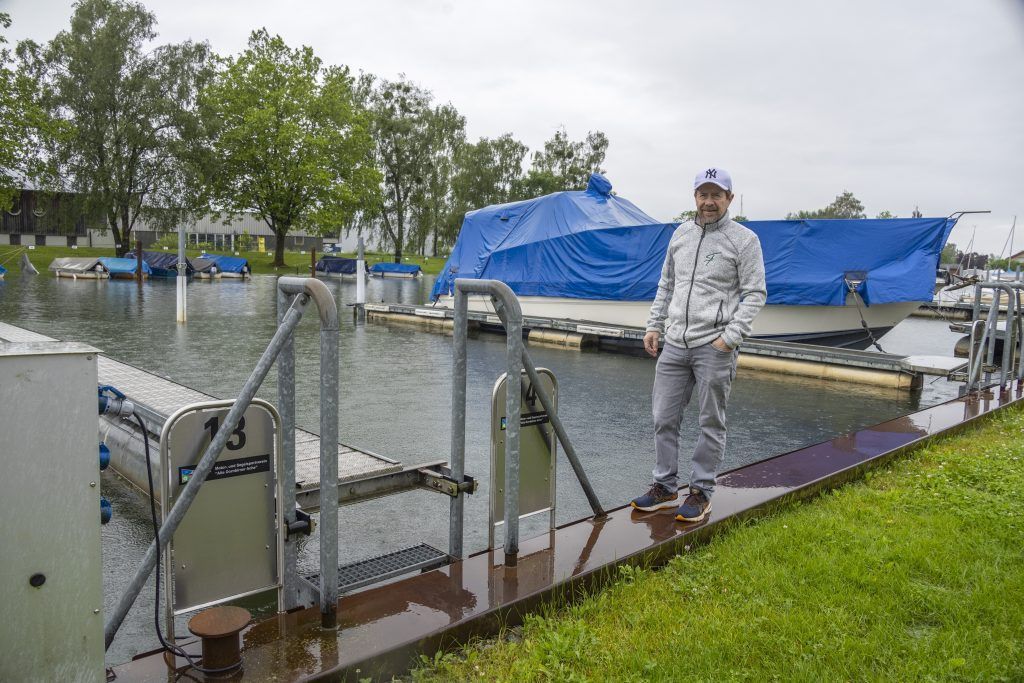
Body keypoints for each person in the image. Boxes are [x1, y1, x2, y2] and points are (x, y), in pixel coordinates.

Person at [630, 167, 766, 522]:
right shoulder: (680, 235)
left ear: (729, 199)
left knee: (710, 422)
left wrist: (729, 338)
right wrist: (654, 325)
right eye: (703, 195)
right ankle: (664, 486)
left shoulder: (745, 240)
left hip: (714, 345)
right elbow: (666, 285)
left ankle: (701, 491)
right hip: (675, 342)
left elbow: (754, 294)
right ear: (695, 197)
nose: (709, 202)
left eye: (716, 195)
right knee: (663, 417)